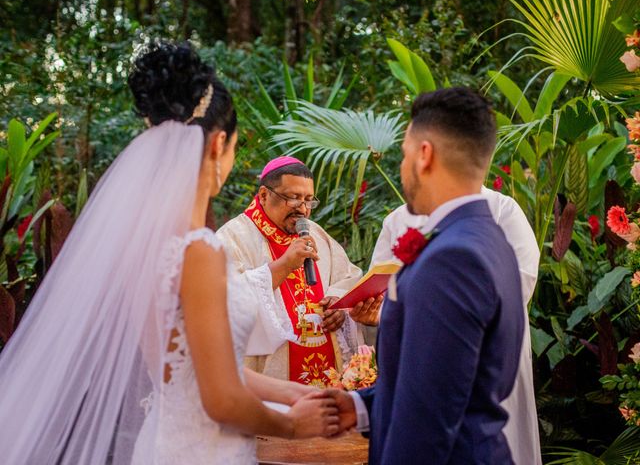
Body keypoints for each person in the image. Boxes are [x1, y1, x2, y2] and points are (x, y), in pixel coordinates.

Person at [0, 42, 340, 465]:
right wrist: (293, 423)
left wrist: (291, 391)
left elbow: (192, 371)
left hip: (166, 441)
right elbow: (220, 401)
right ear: (218, 145)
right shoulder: (198, 249)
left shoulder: (149, 245)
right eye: (234, 147)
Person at [329, 87, 525, 464]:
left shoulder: (452, 257)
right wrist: (359, 407)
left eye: (403, 155)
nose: (402, 169)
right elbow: (442, 382)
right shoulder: (487, 236)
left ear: (424, 155)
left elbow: (426, 422)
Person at [370, 187, 542, 465]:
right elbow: (381, 284)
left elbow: (519, 282)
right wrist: (376, 311)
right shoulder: (398, 219)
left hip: (485, 356)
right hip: (416, 358)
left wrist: (434, 313)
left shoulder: (502, 210)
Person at [217, 158, 383, 387]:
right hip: (271, 383)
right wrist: (284, 265)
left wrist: (339, 308)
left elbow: (348, 278)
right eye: (293, 198)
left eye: (308, 200)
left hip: (330, 376)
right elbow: (225, 301)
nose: (303, 209)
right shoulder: (233, 237)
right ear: (264, 195)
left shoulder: (315, 233)